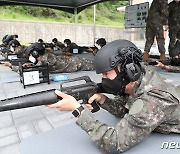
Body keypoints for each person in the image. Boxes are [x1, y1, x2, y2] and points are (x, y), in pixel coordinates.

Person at [47, 39, 180, 153]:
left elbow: (114, 143)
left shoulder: (153, 99)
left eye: (106, 74)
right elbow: (125, 109)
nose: (103, 79)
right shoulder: (139, 78)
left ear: (129, 70)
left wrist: (77, 110)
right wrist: (103, 100)